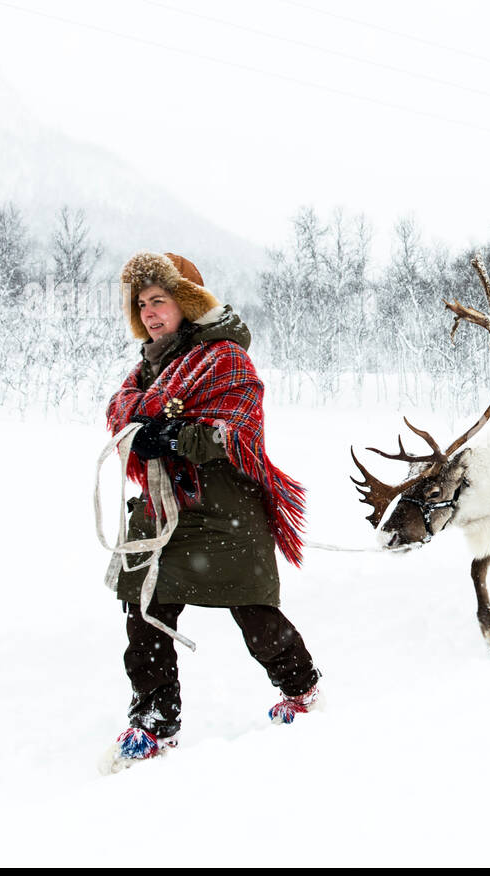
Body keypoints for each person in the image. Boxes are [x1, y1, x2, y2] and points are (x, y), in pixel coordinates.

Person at [102, 252, 320, 770]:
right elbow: (122, 412)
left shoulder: (226, 359)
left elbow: (234, 433)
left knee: (254, 611)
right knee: (144, 609)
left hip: (224, 511)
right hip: (163, 510)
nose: (150, 312)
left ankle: (302, 688)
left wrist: (174, 434)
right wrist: (146, 430)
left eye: (160, 300)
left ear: (187, 302)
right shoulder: (147, 369)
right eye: (142, 304)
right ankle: (154, 723)